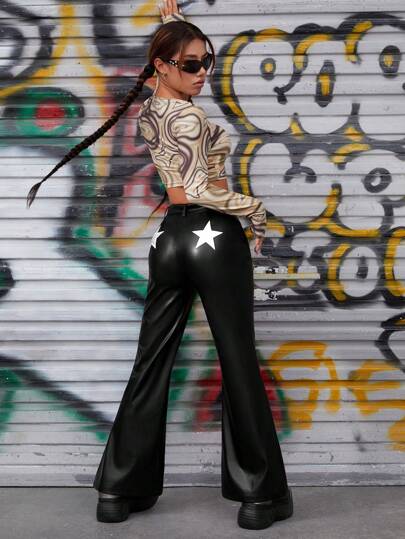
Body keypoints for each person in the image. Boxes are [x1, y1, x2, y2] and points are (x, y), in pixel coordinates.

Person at [26, 0, 293, 530]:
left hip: (168, 240)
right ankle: (260, 496)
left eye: (207, 61)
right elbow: (198, 189)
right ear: (163, 67)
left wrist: (171, 28)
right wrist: (255, 209)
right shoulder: (189, 116)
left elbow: (166, 88)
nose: (203, 72)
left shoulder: (151, 110)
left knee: (151, 362)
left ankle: (119, 489)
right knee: (238, 360)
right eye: (191, 64)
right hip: (213, 237)